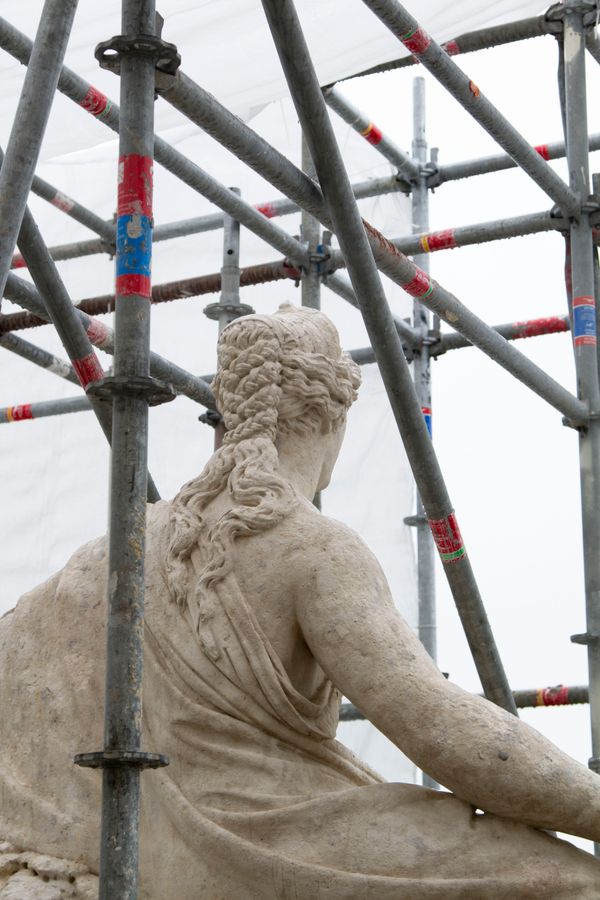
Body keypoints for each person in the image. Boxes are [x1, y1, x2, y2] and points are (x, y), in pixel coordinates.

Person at [1, 302, 600, 898]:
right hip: (266, 844)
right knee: (573, 881)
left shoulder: (116, 548)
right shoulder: (314, 549)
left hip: (141, 844)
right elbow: (444, 732)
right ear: (329, 416)